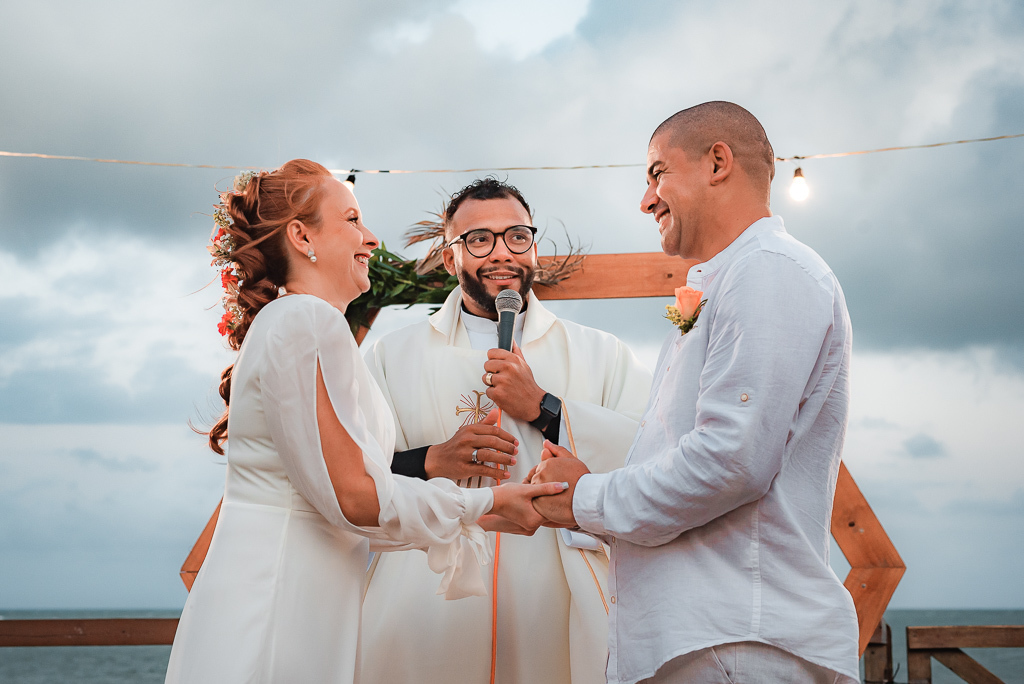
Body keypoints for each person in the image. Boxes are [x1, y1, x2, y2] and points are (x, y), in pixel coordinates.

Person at [164, 161, 567, 684]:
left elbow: (334, 506)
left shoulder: (296, 322)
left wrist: (479, 517)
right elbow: (354, 498)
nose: (372, 239)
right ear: (302, 235)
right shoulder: (306, 320)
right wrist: (484, 502)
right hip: (280, 600)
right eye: (352, 220)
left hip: (308, 592)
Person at [530, 102, 861, 684]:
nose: (646, 198)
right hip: (712, 636)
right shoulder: (733, 277)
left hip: (737, 638)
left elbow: (732, 461)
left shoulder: (768, 270)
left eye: (657, 171)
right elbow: (700, 451)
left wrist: (586, 499)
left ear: (717, 162)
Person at [358, 178, 653, 684]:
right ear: (451, 258)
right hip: (425, 595)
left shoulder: (598, 352)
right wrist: (431, 459)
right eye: (478, 239)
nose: (501, 253)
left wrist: (544, 408)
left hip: (554, 591)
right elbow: (354, 466)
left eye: (517, 236)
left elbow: (650, 453)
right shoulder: (393, 355)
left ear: (533, 247)